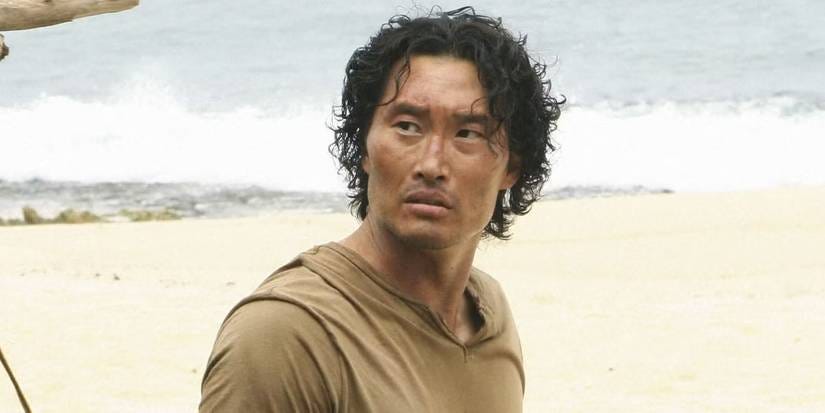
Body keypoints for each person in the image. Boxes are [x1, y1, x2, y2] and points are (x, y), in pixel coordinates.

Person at [199, 6, 561, 412]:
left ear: (512, 167)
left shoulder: (488, 314)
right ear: (365, 146)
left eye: (467, 133)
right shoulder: (285, 334)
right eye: (407, 126)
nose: (431, 164)